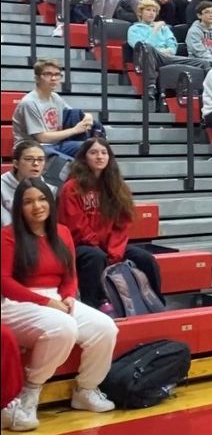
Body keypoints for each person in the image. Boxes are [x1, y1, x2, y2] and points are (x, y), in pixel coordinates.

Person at [2, 178, 118, 429]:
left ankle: (86, 389)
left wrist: (66, 296)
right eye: (28, 201)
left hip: (57, 298)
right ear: (18, 207)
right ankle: (29, 392)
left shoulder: (62, 232)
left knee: (105, 327)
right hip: (16, 302)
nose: (37, 206)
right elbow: (5, 282)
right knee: (63, 327)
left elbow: (70, 274)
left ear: (50, 202)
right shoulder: (8, 235)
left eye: (42, 199)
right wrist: (46, 302)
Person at [58, 138, 163, 310]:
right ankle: (92, 307)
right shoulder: (72, 187)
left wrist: (114, 250)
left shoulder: (117, 186)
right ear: (84, 158)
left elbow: (123, 223)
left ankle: (155, 304)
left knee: (146, 259)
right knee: (95, 257)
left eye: (103, 153)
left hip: (111, 245)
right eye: (93, 153)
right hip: (80, 245)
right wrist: (100, 248)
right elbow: (75, 225)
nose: (99, 157)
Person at [12, 60, 98, 161]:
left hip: (56, 144)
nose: (53, 78)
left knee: (93, 149)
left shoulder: (55, 97)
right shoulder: (29, 102)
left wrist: (88, 116)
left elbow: (73, 113)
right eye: (48, 74)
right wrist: (75, 130)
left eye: (57, 74)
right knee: (70, 163)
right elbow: (42, 138)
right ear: (37, 78)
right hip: (32, 147)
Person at [127, 0, 212, 74]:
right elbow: (143, 48)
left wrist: (168, 51)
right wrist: (155, 30)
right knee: (148, 49)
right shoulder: (134, 29)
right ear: (140, 12)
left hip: (167, 56)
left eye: (154, 11)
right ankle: (150, 87)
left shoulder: (164, 28)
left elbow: (172, 45)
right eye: (148, 10)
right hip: (147, 59)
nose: (151, 13)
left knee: (204, 63)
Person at [1, 142, 57, 227]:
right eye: (29, 159)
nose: (36, 164)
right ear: (16, 164)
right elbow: (5, 224)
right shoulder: (2, 187)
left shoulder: (51, 189)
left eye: (40, 159)